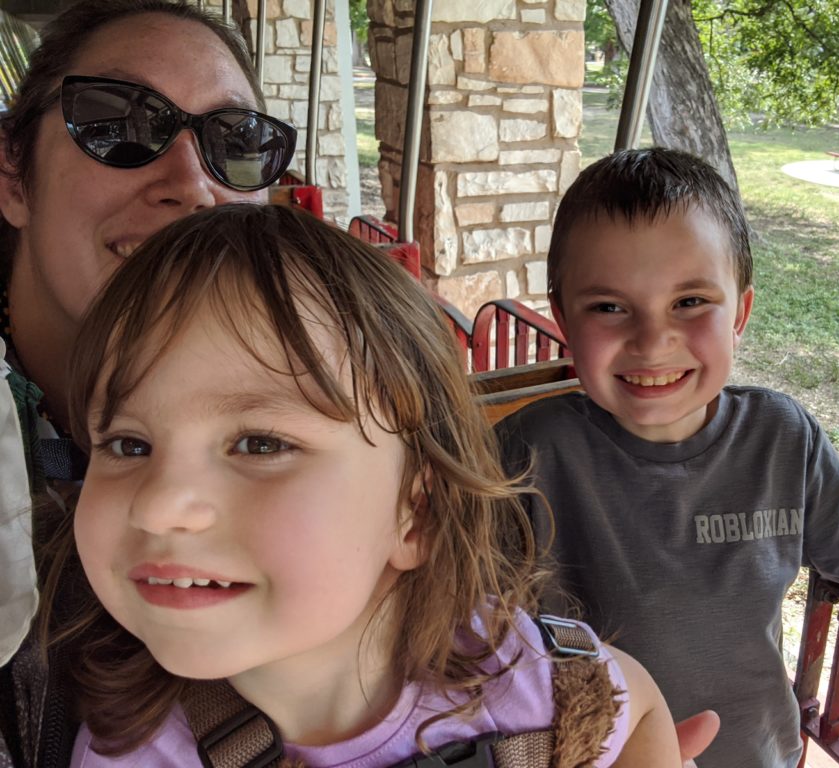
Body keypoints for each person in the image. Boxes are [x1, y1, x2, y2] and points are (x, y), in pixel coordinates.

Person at [33, 202, 679, 767]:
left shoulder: (521, 678)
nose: (158, 505)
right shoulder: (137, 754)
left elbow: (636, 705)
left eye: (260, 444)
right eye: (128, 445)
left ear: (415, 512)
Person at [497, 147, 839, 768]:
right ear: (563, 318)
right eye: (609, 307)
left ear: (740, 313)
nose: (653, 341)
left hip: (760, 753)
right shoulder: (523, 453)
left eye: (690, 302)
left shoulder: (781, 439)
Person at [0, 1, 296, 763]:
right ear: (13, 176)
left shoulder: (336, 407)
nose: (191, 185)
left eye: (235, 140)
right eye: (119, 124)